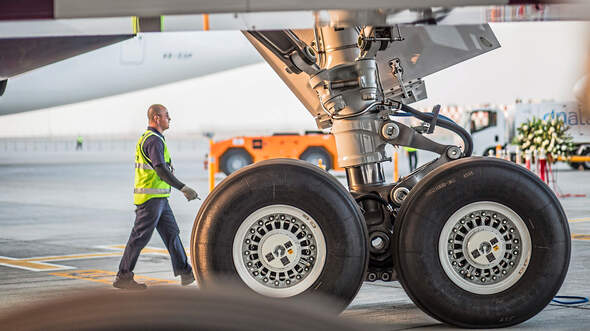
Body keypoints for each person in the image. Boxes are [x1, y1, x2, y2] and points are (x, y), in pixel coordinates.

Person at [113, 104, 199, 290]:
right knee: (139, 238)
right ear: (157, 118)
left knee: (172, 234)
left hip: (159, 198)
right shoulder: (153, 141)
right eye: (167, 115)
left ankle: (185, 272)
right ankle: (123, 276)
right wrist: (183, 187)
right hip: (151, 199)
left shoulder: (154, 138)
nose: (170, 118)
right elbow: (160, 170)